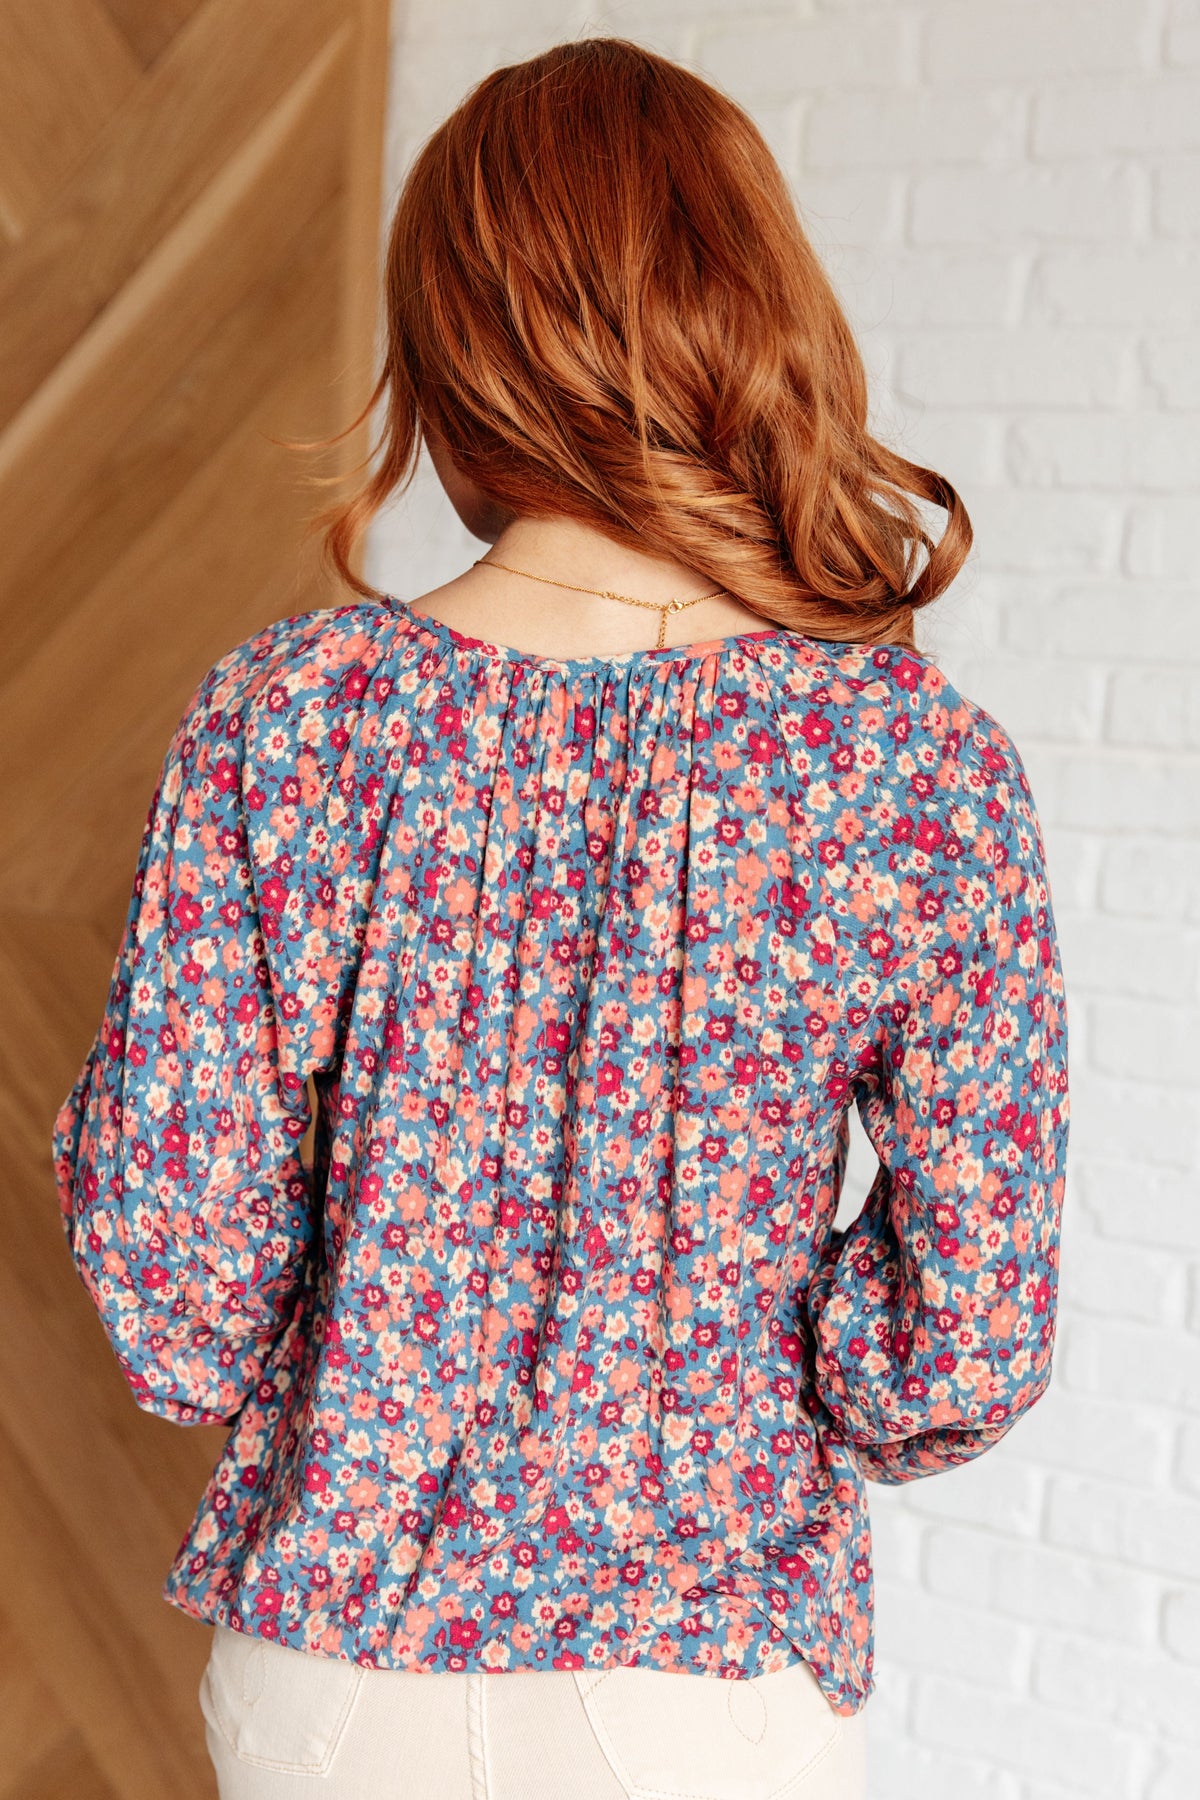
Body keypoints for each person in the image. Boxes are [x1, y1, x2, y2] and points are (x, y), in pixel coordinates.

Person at [51, 36, 1070, 1800]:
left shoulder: (290, 719)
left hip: (339, 1672)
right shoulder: (911, 765)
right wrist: (756, 1351)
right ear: (753, 307)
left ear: (453, 340)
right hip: (708, 1671)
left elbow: (181, 1283)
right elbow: (967, 1334)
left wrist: (373, 1327)